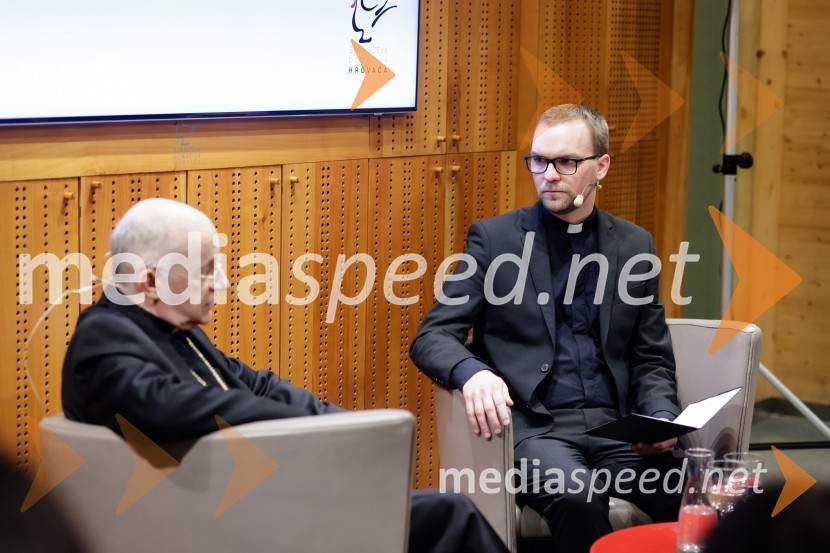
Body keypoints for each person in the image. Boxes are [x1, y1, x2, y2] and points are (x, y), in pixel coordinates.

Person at [62, 198, 508, 553]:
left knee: (444, 512)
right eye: (206, 271)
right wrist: (312, 431)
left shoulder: (167, 326)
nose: (222, 284)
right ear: (150, 282)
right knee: (450, 515)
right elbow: (175, 407)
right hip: (211, 528)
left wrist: (349, 427)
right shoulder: (103, 340)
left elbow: (255, 384)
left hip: (248, 509)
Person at [410, 104, 682, 552]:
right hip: (538, 431)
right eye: (539, 160)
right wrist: (473, 373)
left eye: (566, 162)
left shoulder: (635, 245)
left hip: (617, 430)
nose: (549, 175)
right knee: (579, 496)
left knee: (695, 488)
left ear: (601, 167)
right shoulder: (495, 240)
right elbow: (433, 336)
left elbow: (650, 355)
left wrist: (661, 419)